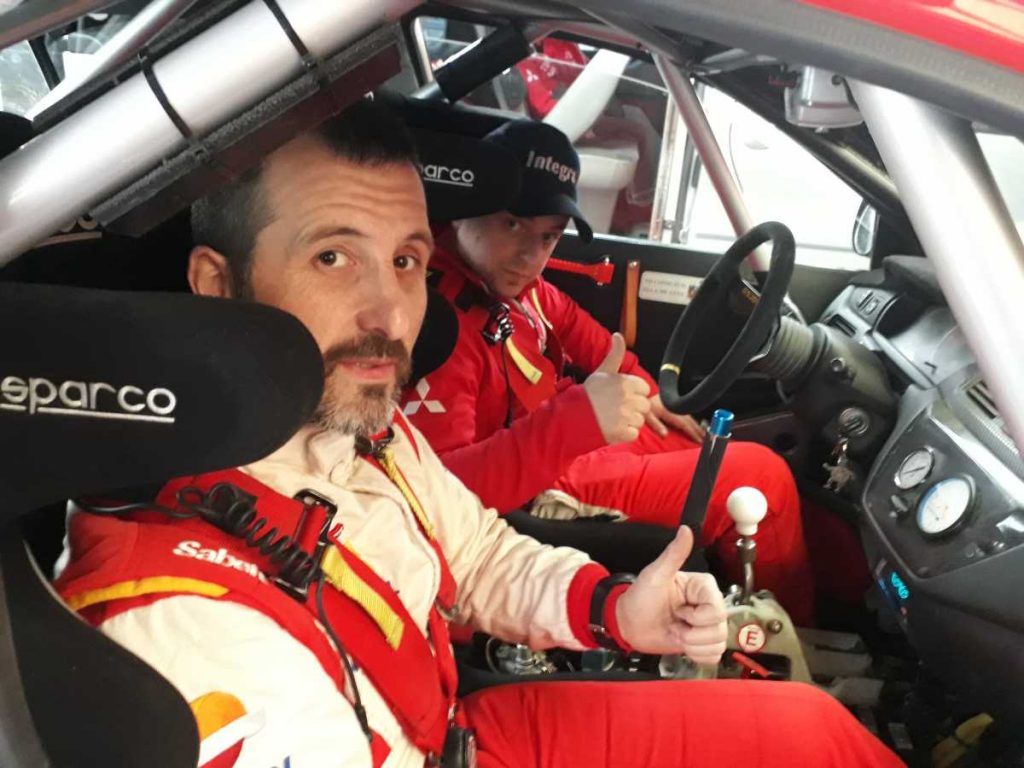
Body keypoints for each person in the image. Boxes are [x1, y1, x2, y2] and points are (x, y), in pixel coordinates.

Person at [54, 99, 899, 768]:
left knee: (812, 732)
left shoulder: (356, 425)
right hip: (433, 741)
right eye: (333, 258)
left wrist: (612, 607)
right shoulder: (180, 629)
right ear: (217, 284)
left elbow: (477, 553)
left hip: (450, 720)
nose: (390, 316)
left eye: (405, 261)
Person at [400, 119, 815, 626]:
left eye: (549, 235)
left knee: (698, 443)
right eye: (512, 224)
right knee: (759, 477)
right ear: (467, 207)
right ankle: (784, 639)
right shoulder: (435, 325)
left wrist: (646, 392)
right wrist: (574, 422)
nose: (531, 255)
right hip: (532, 483)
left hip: (561, 440)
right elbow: (436, 496)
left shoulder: (517, 288)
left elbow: (593, 340)